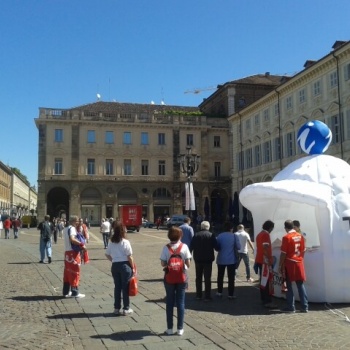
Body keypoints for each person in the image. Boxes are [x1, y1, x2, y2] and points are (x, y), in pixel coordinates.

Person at [160, 226, 191, 336]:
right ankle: (180, 329)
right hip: (181, 277)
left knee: (169, 302)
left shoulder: (166, 248)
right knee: (180, 302)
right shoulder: (184, 247)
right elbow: (188, 264)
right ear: (180, 236)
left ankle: (169, 328)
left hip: (169, 277)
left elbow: (163, 263)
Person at [105, 222, 135, 316]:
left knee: (117, 287)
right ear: (123, 231)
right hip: (125, 265)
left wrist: (113, 260)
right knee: (125, 287)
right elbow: (129, 256)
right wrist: (133, 267)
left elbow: (107, 254)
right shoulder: (125, 242)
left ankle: (116, 308)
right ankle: (126, 308)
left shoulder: (111, 242)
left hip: (115, 265)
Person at [279, 219, 308, 313]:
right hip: (299, 262)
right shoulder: (300, 236)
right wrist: (300, 258)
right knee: (300, 284)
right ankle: (304, 306)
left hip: (289, 263)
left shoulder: (286, 237)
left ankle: (291, 306)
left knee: (288, 285)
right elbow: (303, 250)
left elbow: (283, 253)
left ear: (285, 228)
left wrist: (280, 265)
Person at [190, 220, 217, 301]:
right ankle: (207, 296)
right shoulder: (211, 235)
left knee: (198, 277)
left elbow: (191, 247)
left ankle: (198, 295)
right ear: (208, 227)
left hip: (198, 258)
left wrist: (189, 257)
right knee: (207, 278)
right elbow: (216, 247)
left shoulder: (196, 235)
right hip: (208, 259)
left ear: (201, 227)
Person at [62, 215, 87, 298]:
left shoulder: (65, 229)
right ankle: (75, 292)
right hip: (73, 253)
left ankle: (66, 291)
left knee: (67, 272)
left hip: (67, 252)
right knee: (75, 271)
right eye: (77, 221)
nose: (78, 223)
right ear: (73, 221)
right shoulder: (72, 228)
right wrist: (81, 244)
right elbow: (72, 239)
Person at [215, 221, 241, 299]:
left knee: (220, 276)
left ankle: (219, 291)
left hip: (221, 259)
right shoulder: (234, 236)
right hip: (231, 259)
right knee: (231, 277)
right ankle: (230, 294)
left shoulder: (219, 236)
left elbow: (217, 247)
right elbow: (239, 247)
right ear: (231, 228)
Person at [254, 220, 276, 308]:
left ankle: (264, 299)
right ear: (270, 228)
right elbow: (265, 248)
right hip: (265, 261)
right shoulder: (266, 235)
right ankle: (267, 301)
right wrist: (270, 260)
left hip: (260, 260)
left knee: (263, 281)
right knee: (266, 281)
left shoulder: (259, 234)